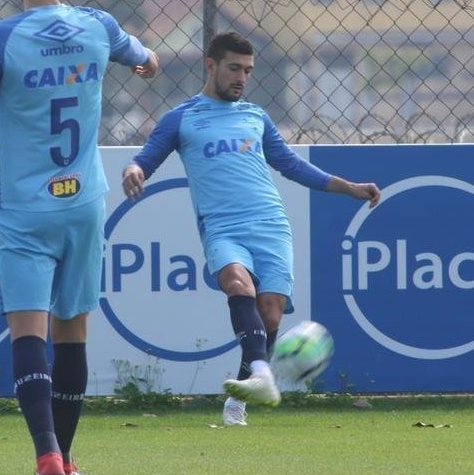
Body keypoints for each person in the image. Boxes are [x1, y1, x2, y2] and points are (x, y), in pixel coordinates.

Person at [0, 0, 159, 475]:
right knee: (73, 332)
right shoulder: (98, 25)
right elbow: (146, 58)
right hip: (84, 204)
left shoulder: (0, 40)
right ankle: (67, 463)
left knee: (29, 331)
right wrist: (146, 63)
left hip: (24, 207)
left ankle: (47, 456)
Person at [122, 31, 380, 426]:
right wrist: (134, 169)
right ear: (211, 66)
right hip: (222, 226)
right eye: (234, 68)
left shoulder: (255, 116)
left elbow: (291, 165)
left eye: (248, 70)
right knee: (238, 285)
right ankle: (263, 376)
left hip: (271, 223)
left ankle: (238, 400)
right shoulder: (182, 117)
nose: (242, 77)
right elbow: (147, 157)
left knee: (271, 313)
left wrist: (349, 188)